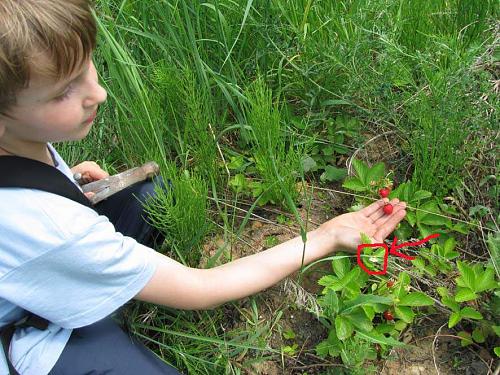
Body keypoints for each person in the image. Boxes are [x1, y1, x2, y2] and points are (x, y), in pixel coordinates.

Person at [0, 0, 407, 374]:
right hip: (22, 335)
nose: (99, 93)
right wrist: (323, 236)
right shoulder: (51, 228)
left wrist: (65, 183)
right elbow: (202, 287)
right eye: (63, 92)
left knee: (153, 195)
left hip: (39, 258)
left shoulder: (17, 137)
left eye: (88, 64)